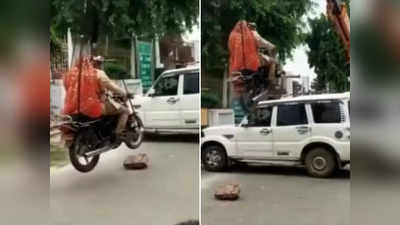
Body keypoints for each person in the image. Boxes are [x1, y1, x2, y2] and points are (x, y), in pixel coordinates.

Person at [91, 56, 130, 140]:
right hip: (99, 105)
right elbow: (112, 86)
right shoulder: (99, 73)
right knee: (125, 111)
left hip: (86, 105)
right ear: (98, 64)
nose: (101, 65)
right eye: (100, 63)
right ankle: (118, 134)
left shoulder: (85, 74)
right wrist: (124, 93)